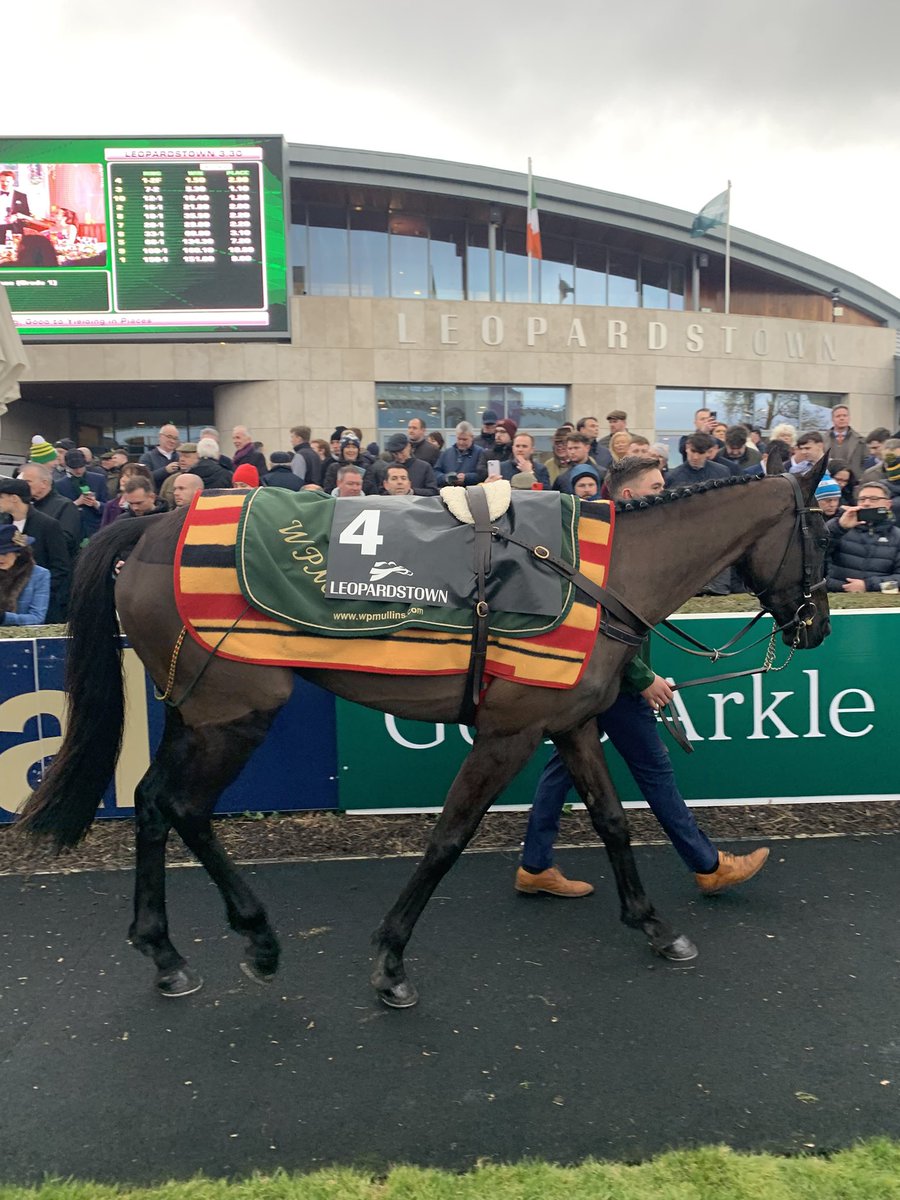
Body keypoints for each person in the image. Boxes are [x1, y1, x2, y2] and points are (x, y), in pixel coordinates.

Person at [515, 455, 769, 899]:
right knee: (655, 772)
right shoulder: (608, 546)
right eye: (656, 488)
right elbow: (602, 628)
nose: (665, 494)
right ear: (628, 495)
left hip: (602, 682)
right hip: (609, 683)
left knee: (564, 769)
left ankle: (535, 865)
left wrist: (642, 673)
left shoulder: (618, 539)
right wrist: (642, 678)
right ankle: (707, 866)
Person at [0, 477, 71, 622]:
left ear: (14, 498)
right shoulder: (4, 524)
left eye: (1, 497)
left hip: (39, 604)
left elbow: (61, 565)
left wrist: (39, 590)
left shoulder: (47, 524)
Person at [825, 480, 900, 593]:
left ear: (888, 504)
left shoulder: (896, 536)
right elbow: (815, 552)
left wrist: (868, 586)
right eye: (862, 499)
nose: (866, 503)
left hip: (879, 602)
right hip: (837, 595)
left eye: (874, 499)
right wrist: (839, 527)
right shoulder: (840, 527)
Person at [16, 463, 82, 561]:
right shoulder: (25, 505)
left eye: (27, 481)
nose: (22, 486)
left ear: (44, 483)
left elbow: (66, 541)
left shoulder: (65, 506)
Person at [0, 527, 50, 626]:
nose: (0, 558)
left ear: (18, 552)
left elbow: (37, 617)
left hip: (20, 638)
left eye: (5, 553)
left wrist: (4, 617)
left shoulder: (39, 575)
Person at [54, 450, 107, 541]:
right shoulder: (59, 485)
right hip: (73, 532)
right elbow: (58, 510)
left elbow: (108, 506)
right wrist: (77, 502)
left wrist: (95, 503)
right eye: (74, 468)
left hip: (96, 529)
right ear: (67, 466)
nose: (78, 471)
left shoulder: (99, 479)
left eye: (81, 467)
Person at [666, 433, 731, 487]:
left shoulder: (722, 472)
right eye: (693, 451)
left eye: (701, 453)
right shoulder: (673, 477)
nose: (695, 457)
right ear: (687, 448)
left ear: (709, 452)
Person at [435, 422, 486, 486]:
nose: (461, 442)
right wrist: (445, 478)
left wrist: (467, 477)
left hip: (471, 493)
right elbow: (435, 473)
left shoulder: (481, 453)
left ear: (472, 437)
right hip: (449, 492)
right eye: (459, 439)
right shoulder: (446, 453)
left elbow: (483, 475)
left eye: (464, 439)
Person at [822, 404, 866, 478]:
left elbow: (865, 463)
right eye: (838, 416)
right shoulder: (822, 440)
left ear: (849, 418)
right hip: (829, 481)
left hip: (853, 483)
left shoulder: (861, 441)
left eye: (845, 415)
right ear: (832, 419)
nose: (842, 418)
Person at [0, 170, 31, 240]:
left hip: (15, 230)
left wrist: (16, 217)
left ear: (13, 181)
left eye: (8, 181)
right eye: (2, 181)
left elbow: (26, 214)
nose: (4, 183)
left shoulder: (21, 196)